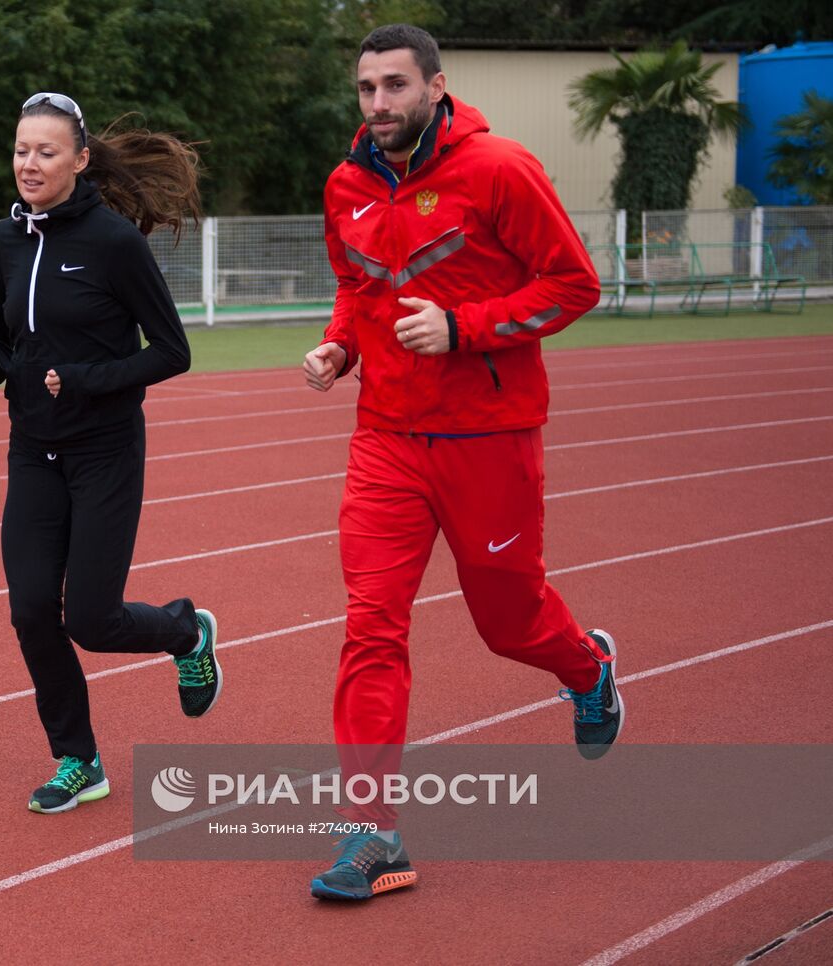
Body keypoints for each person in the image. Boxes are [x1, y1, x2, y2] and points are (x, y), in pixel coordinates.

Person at [302, 25, 625, 900]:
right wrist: (340, 348)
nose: (378, 105)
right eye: (366, 88)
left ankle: (587, 668)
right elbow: (355, 285)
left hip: (490, 437)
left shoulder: (501, 170)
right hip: (386, 441)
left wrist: (462, 328)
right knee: (372, 626)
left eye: (395, 86)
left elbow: (574, 285)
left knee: (508, 620)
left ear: (437, 87)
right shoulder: (346, 182)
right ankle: (372, 836)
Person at [0, 92, 221, 815]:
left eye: (46, 151)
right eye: (21, 150)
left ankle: (184, 631)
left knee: (92, 620)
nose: (29, 163)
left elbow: (173, 352)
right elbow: (0, 340)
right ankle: (78, 759)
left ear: (79, 160)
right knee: (30, 611)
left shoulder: (114, 243)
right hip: (32, 451)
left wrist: (86, 381)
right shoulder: (1, 244)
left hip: (106, 450)